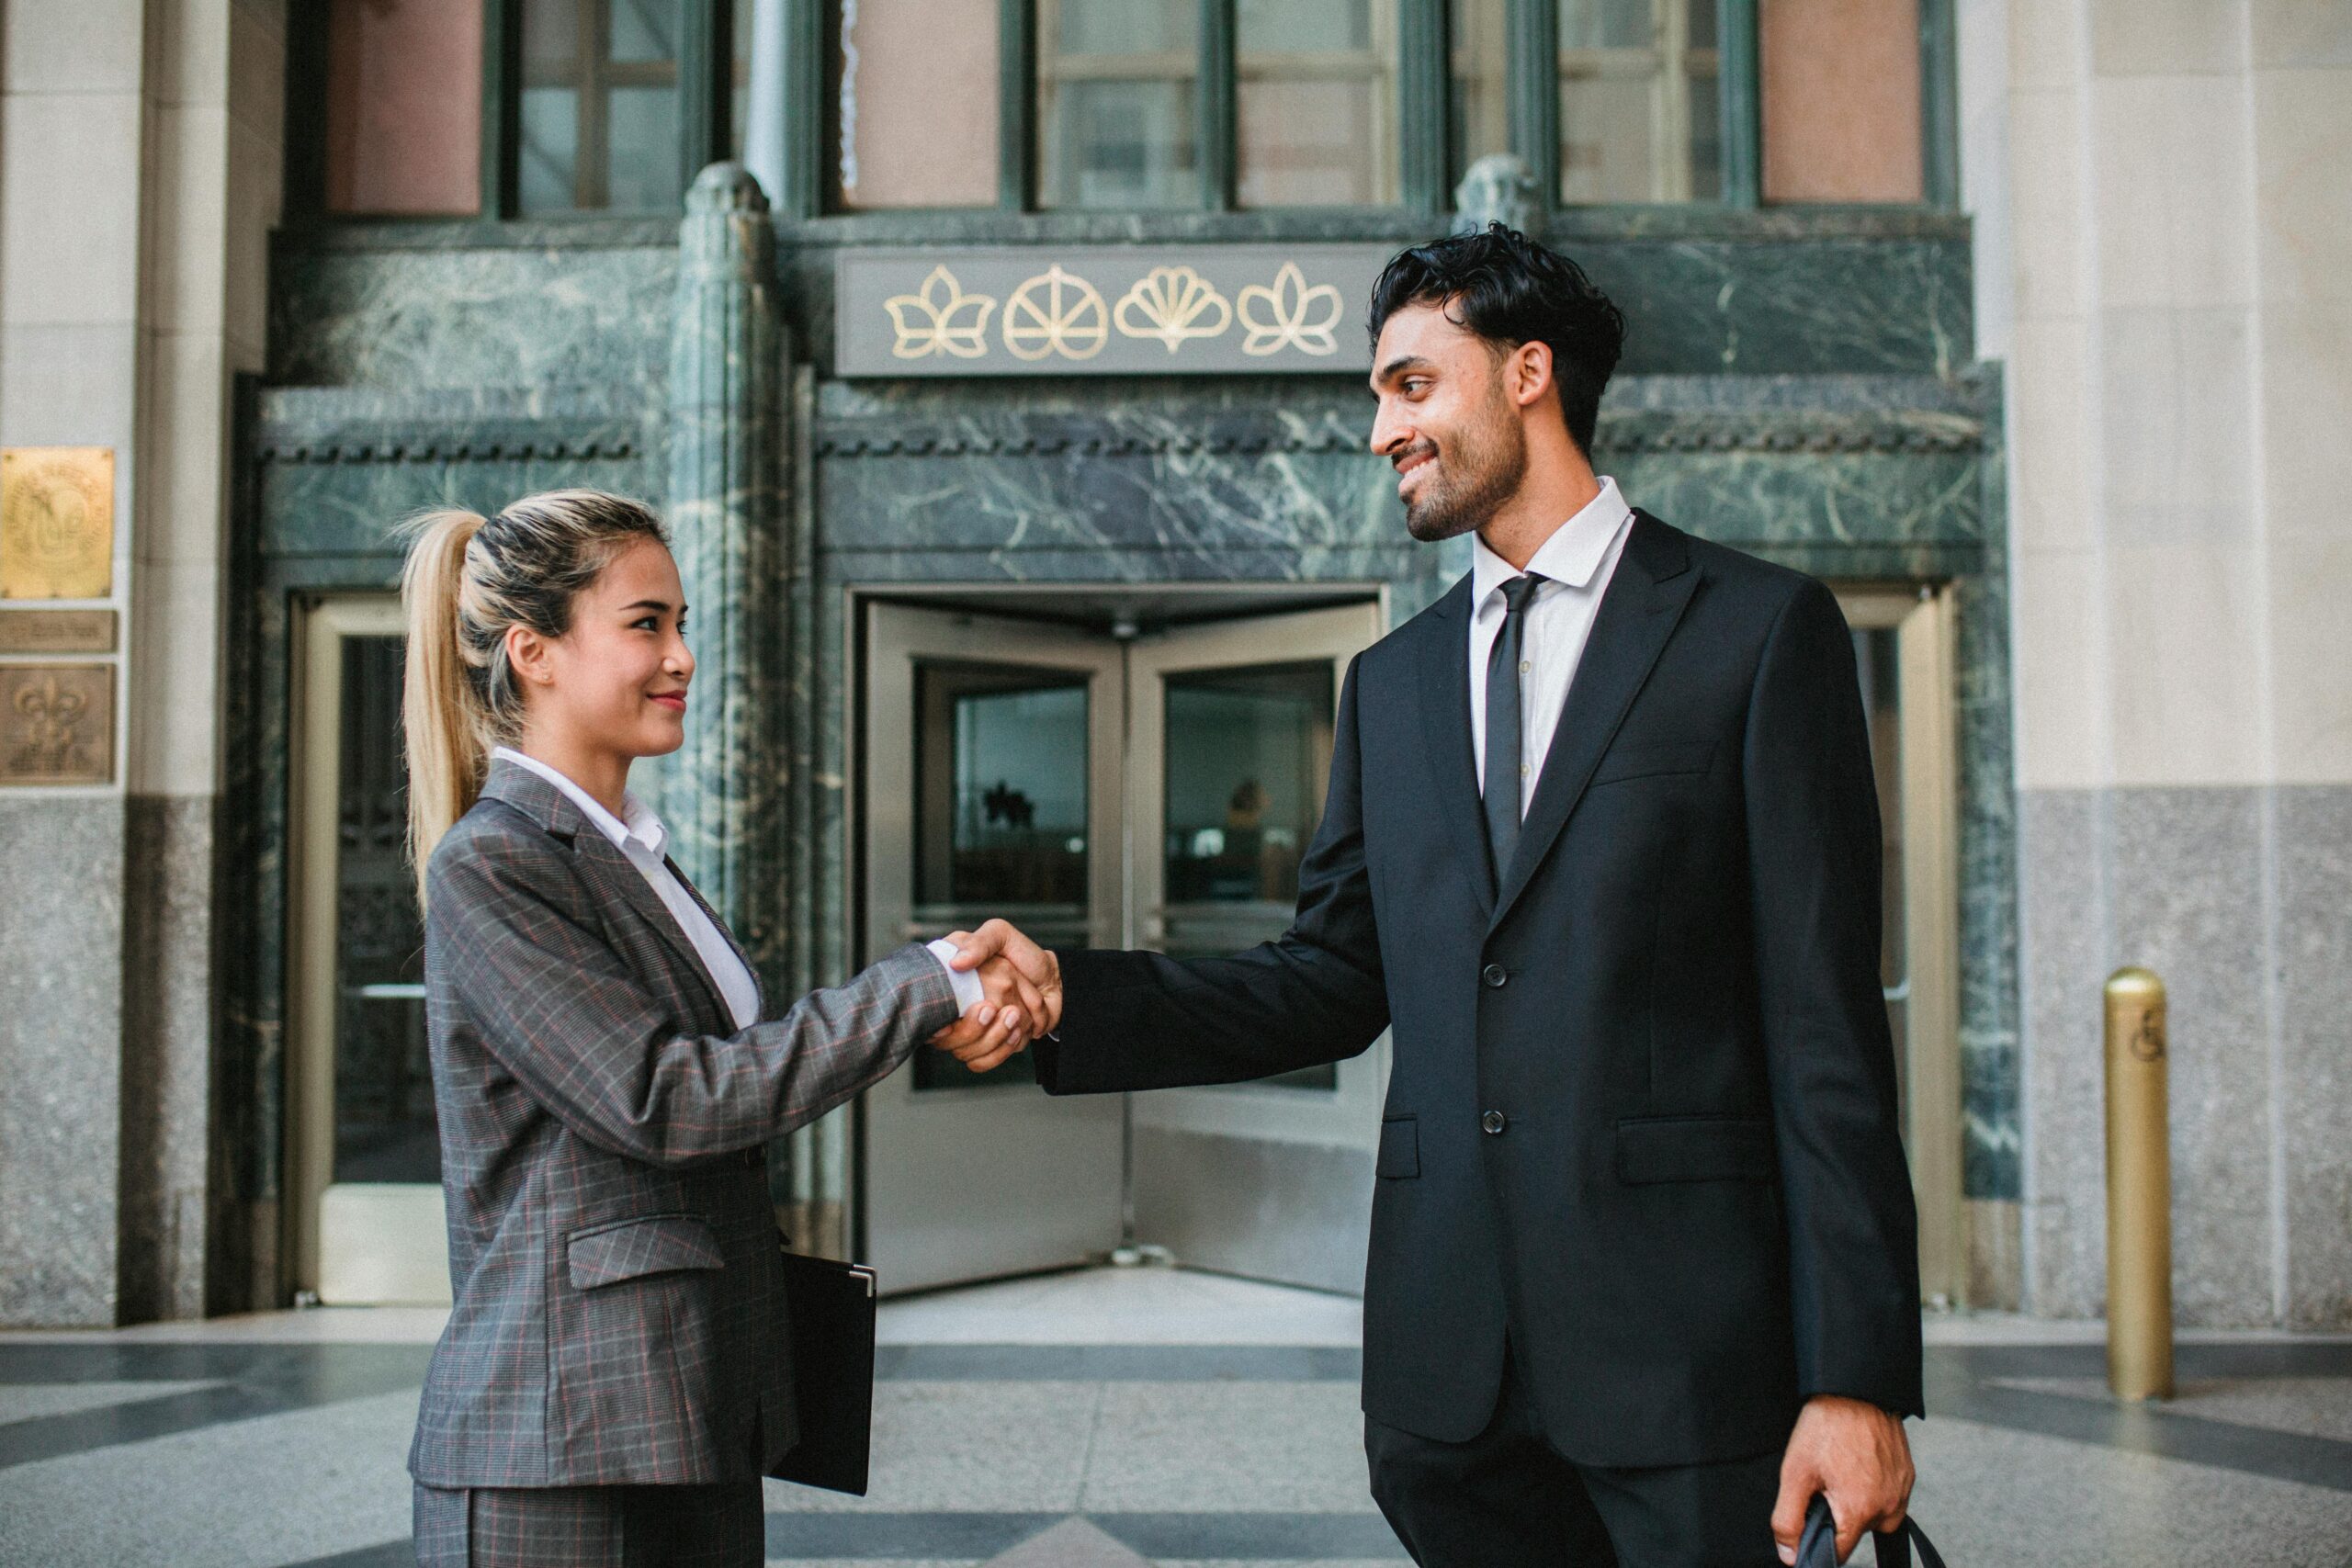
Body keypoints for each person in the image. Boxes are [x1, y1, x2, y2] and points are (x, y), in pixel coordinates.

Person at [950, 226, 1924, 1568]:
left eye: (1411, 384)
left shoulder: (1756, 633)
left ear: (1528, 373)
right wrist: (1073, 995)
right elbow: (1330, 977)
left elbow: (1825, 1027)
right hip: (1449, 1391)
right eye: (1377, 394)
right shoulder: (1393, 683)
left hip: (1688, 1370)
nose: (1378, 429)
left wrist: (1855, 1374)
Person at [397, 490, 1034, 1568]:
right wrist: (924, 986)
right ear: (533, 651)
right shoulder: (495, 864)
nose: (682, 655)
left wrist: (929, 999)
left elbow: (723, 1076)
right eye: (647, 623)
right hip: (558, 1444)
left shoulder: (625, 855)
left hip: (681, 1403)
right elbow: (667, 1098)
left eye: (681, 623)